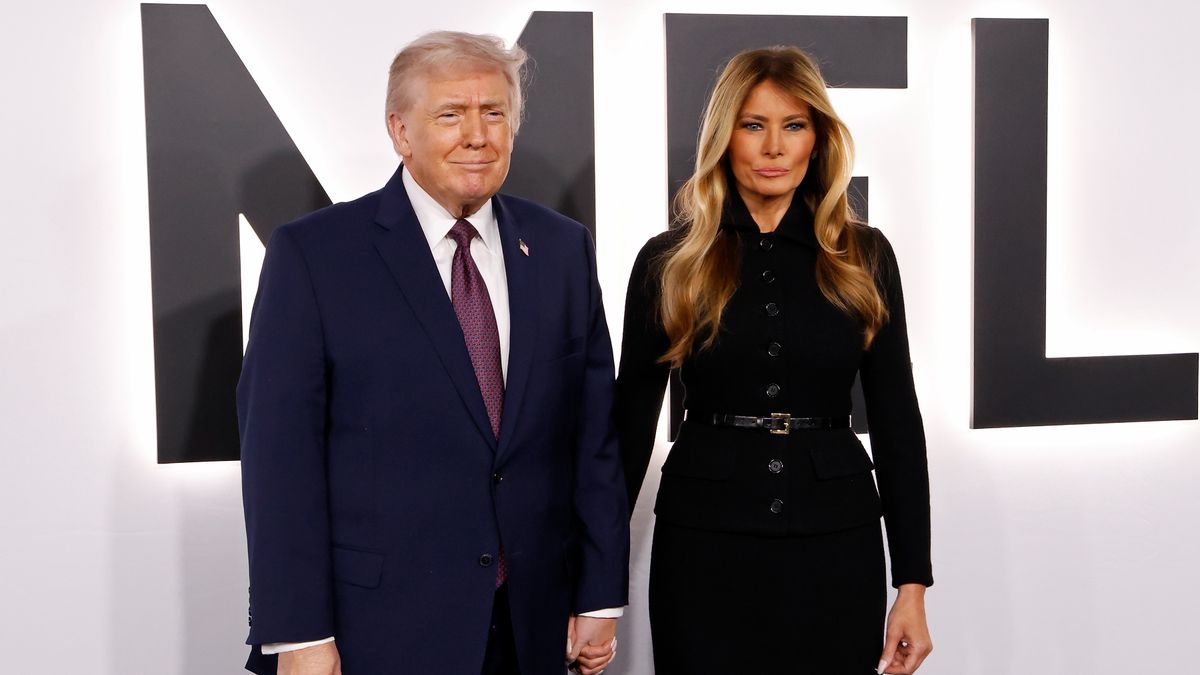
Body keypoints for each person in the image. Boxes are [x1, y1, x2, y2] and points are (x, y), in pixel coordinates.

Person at [238, 31, 628, 675]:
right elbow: (280, 461)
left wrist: (599, 592)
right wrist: (298, 633)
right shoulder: (315, 255)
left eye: (494, 113)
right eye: (451, 114)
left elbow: (593, 441)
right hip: (376, 632)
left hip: (532, 626)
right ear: (400, 130)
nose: (477, 135)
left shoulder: (562, 248)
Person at [616, 46, 933, 674]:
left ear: (818, 139)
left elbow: (898, 420)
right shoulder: (669, 261)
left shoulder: (864, 256)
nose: (774, 147)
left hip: (836, 546)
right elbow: (627, 427)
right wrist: (593, 584)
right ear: (724, 136)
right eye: (753, 125)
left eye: (793, 126)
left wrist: (913, 584)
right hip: (703, 549)